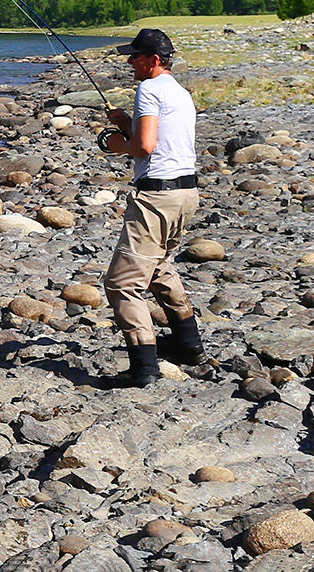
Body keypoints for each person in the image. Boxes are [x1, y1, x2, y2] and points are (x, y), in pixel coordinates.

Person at [99, 27, 206, 386]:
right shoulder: (180, 93)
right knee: (159, 267)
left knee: (122, 284)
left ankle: (143, 368)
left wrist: (117, 143)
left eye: (136, 56)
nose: (130, 61)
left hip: (157, 197)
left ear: (154, 60)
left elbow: (144, 148)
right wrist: (127, 124)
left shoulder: (149, 88)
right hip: (185, 194)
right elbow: (161, 139)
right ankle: (188, 346)